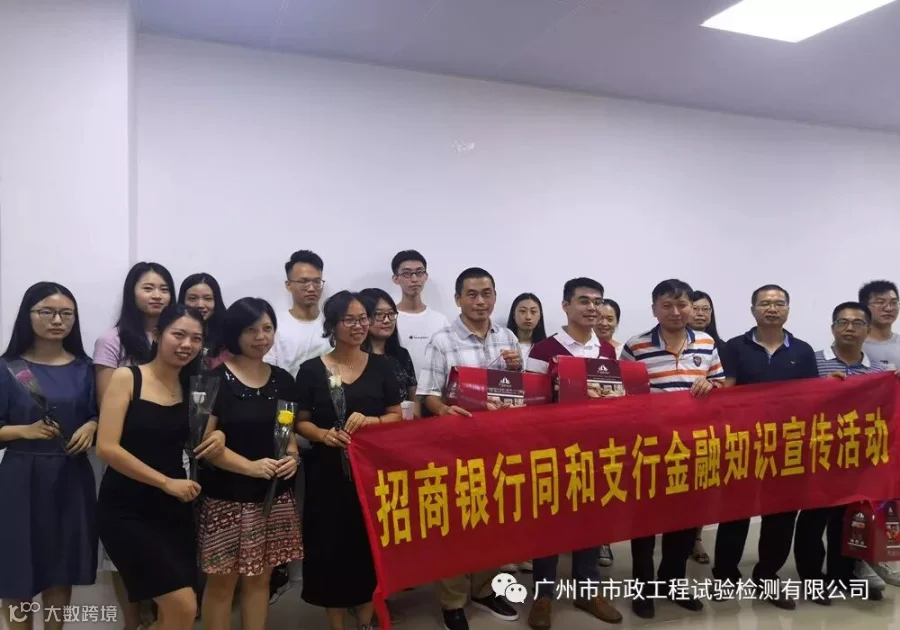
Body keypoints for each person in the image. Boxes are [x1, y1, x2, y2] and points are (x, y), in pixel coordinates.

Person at [96, 305, 225, 630]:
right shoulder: (128, 377)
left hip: (173, 510)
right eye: (178, 334)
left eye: (196, 338)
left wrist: (219, 435)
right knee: (181, 605)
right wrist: (166, 482)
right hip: (126, 508)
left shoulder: (193, 387)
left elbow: (200, 440)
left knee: (180, 612)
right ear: (157, 334)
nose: (187, 344)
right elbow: (106, 447)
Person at [416, 267, 521, 630]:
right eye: (472, 294)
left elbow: (516, 390)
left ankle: (485, 589)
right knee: (456, 526)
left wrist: (517, 369)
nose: (480, 301)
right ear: (458, 299)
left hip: (500, 446)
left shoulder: (507, 336)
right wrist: (444, 410)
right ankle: (453, 601)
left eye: (486, 293)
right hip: (458, 448)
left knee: (493, 521)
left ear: (495, 297)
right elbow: (427, 395)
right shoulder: (442, 340)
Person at [294, 291, 402, 630]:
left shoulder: (383, 366)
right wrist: (322, 434)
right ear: (332, 325)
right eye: (349, 320)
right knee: (330, 549)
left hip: (372, 475)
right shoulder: (312, 370)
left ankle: (365, 620)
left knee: (368, 548)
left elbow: (396, 415)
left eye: (363, 319)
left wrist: (372, 422)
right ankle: (337, 624)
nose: (359, 326)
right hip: (327, 476)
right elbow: (300, 421)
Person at [621, 279, 725, 619]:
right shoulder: (636, 346)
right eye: (667, 305)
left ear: (692, 308)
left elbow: (721, 385)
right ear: (655, 309)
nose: (676, 312)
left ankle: (672, 581)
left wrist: (711, 384)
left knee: (683, 519)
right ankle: (642, 587)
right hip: (649, 449)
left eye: (682, 305)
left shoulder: (707, 343)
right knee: (644, 523)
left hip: (692, 449)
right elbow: (622, 397)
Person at [198, 298, 303, 630]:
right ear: (234, 333)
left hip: (273, 496)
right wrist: (251, 467)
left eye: (267, 328)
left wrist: (292, 457)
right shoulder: (211, 380)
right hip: (227, 499)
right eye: (251, 329)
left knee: (260, 579)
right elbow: (203, 443)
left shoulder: (283, 380)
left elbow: (286, 431)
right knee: (222, 584)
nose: (261, 337)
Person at [712, 284, 818, 611]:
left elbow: (813, 399)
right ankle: (725, 576)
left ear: (788, 309)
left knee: (781, 516)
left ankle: (767, 576)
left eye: (779, 303)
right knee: (734, 515)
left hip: (787, 447)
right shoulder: (733, 347)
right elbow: (725, 395)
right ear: (753, 310)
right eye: (765, 303)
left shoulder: (803, 351)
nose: (772, 308)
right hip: (742, 446)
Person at [524, 278, 622, 629]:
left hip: (598, 450)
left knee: (591, 521)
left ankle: (588, 589)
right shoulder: (544, 349)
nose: (592, 307)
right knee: (549, 523)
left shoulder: (607, 350)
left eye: (597, 301)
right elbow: (530, 404)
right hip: (554, 450)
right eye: (584, 300)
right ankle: (543, 595)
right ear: (566, 306)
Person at [0, 283, 98, 630]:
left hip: (71, 477)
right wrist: (22, 431)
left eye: (66, 313)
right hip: (20, 479)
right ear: (28, 315)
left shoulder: (86, 368)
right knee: (15, 571)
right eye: (47, 312)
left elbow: (104, 415)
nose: (58, 320)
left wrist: (94, 424)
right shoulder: (7, 368)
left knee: (62, 569)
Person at [93, 261, 176, 630]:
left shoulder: (178, 337)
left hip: (170, 457)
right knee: (124, 555)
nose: (157, 295)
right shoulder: (112, 340)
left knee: (165, 551)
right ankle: (132, 622)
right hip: (126, 454)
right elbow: (106, 402)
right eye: (148, 287)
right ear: (132, 292)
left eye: (164, 288)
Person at [792, 301, 886, 605]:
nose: (849, 328)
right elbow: (795, 401)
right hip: (817, 454)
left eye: (857, 323)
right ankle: (811, 578)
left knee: (846, 519)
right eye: (842, 322)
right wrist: (821, 388)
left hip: (855, 457)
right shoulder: (813, 362)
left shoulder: (877, 371)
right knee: (813, 518)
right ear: (832, 328)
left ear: (868, 330)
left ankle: (842, 575)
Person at [858, 280, 900, 587]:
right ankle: (862, 559)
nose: (889, 308)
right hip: (867, 435)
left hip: (897, 433)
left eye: (893, 302)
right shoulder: (856, 344)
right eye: (880, 302)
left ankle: (889, 554)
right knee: (866, 499)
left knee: (893, 498)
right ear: (866, 307)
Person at [686, 289, 726, 566]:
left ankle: (696, 538)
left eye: (706, 309)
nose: (700, 314)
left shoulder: (719, 346)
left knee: (700, 489)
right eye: (696, 308)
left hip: (708, 430)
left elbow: (727, 385)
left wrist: (712, 385)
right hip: (671, 433)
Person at [265, 250, 331, 378]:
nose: (311, 288)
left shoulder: (332, 323)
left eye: (317, 281)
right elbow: (267, 368)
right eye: (303, 281)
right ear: (288, 285)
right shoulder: (274, 325)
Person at [391, 250, 450, 380]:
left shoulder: (440, 321)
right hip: (398, 389)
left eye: (419, 272)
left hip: (435, 390)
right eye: (407, 273)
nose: (414, 279)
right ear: (395, 279)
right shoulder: (389, 320)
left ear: (425, 276)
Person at [360, 288, 419, 416]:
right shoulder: (356, 358)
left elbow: (414, 398)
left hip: (404, 424)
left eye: (391, 314)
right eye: (379, 314)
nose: (387, 320)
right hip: (369, 424)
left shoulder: (401, 355)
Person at [178, 273, 230, 370]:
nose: (200, 305)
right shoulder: (172, 332)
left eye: (207, 298)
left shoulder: (229, 334)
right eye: (192, 298)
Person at [507, 293, 546, 367]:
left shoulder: (546, 348)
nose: (528, 317)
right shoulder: (503, 345)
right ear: (513, 314)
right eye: (522, 311)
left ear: (540, 316)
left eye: (533, 312)